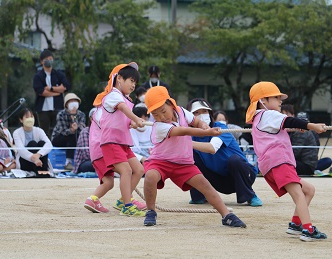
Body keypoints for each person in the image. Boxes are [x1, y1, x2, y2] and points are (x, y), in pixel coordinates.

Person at [142, 86, 246, 228]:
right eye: (155, 114)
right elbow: (183, 130)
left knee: (205, 186)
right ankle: (151, 211)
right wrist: (207, 133)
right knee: (150, 176)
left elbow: (195, 121)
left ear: (171, 104)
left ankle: (227, 215)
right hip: (160, 161)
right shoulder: (159, 126)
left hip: (184, 163)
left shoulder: (181, 112)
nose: (161, 117)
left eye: (163, 111)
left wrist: (203, 125)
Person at [246, 81, 327, 241]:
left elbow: (285, 125)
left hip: (272, 164)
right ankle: (308, 230)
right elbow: (290, 121)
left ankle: (295, 225)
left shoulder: (258, 118)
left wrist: (299, 127)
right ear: (263, 101)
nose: (280, 100)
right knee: (298, 195)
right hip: (279, 162)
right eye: (276, 97)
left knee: (308, 190)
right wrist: (313, 126)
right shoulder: (268, 114)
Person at [85, 62, 147, 216]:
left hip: (122, 143)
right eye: (131, 81)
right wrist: (135, 118)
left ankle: (122, 200)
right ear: (119, 78)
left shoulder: (126, 99)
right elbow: (122, 109)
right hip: (111, 142)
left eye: (135, 82)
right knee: (125, 171)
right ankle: (127, 205)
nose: (134, 85)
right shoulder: (113, 95)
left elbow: (123, 119)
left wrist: (133, 123)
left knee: (139, 169)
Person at [187, 98, 262, 207]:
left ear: (210, 113)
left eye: (204, 111)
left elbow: (212, 148)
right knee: (191, 158)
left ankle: (250, 196)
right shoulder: (192, 134)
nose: (201, 115)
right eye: (196, 113)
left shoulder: (220, 127)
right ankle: (198, 196)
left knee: (234, 160)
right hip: (220, 181)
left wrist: (186, 143)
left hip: (243, 176)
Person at [33, 49, 70, 137]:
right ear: (42, 61)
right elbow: (41, 92)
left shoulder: (58, 74)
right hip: (43, 108)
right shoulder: (38, 76)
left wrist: (50, 88)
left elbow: (65, 87)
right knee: (43, 132)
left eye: (50, 58)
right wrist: (57, 92)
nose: (49, 60)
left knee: (57, 130)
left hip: (57, 107)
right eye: (46, 59)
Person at [51, 93, 86, 170]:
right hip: (59, 138)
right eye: (71, 101)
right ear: (66, 104)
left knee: (74, 137)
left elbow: (82, 129)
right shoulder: (61, 114)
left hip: (74, 139)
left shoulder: (81, 114)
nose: (74, 103)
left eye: (75, 101)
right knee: (71, 135)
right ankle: (68, 162)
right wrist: (72, 130)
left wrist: (75, 121)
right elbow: (62, 131)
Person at [13, 108, 53, 174]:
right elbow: (21, 150)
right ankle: (38, 170)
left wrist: (38, 154)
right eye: (27, 117)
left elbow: (49, 144)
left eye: (31, 116)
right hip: (25, 161)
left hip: (40, 161)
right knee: (32, 143)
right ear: (21, 120)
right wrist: (34, 159)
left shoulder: (39, 130)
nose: (30, 119)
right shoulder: (17, 133)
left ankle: (43, 171)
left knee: (42, 143)